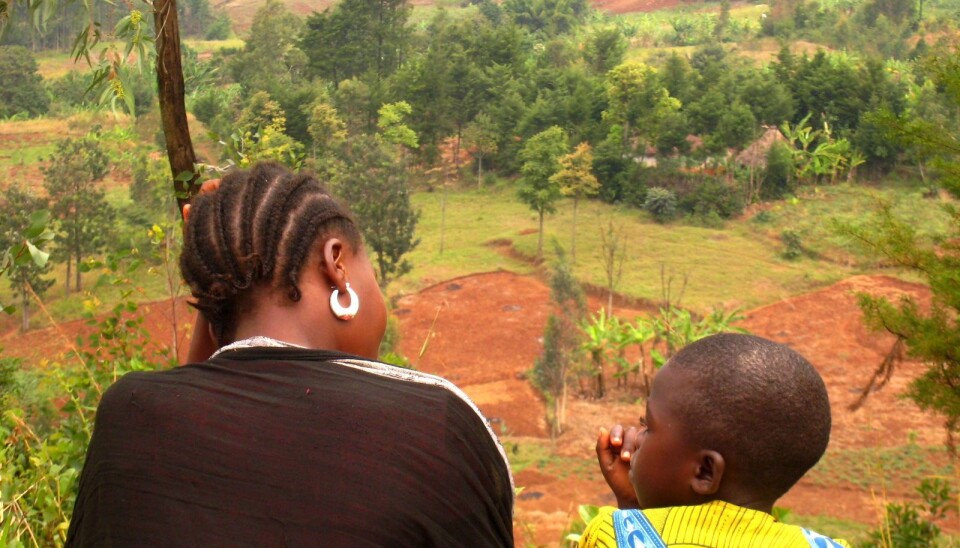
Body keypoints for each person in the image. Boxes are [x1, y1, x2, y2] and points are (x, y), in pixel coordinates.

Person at [66, 162, 514, 547]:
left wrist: (216, 290)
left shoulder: (128, 413)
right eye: (368, 268)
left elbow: (205, 411)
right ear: (336, 264)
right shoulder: (435, 425)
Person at [578, 333, 849, 548]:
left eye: (648, 426)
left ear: (705, 470)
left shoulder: (609, 537)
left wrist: (629, 516)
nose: (636, 438)